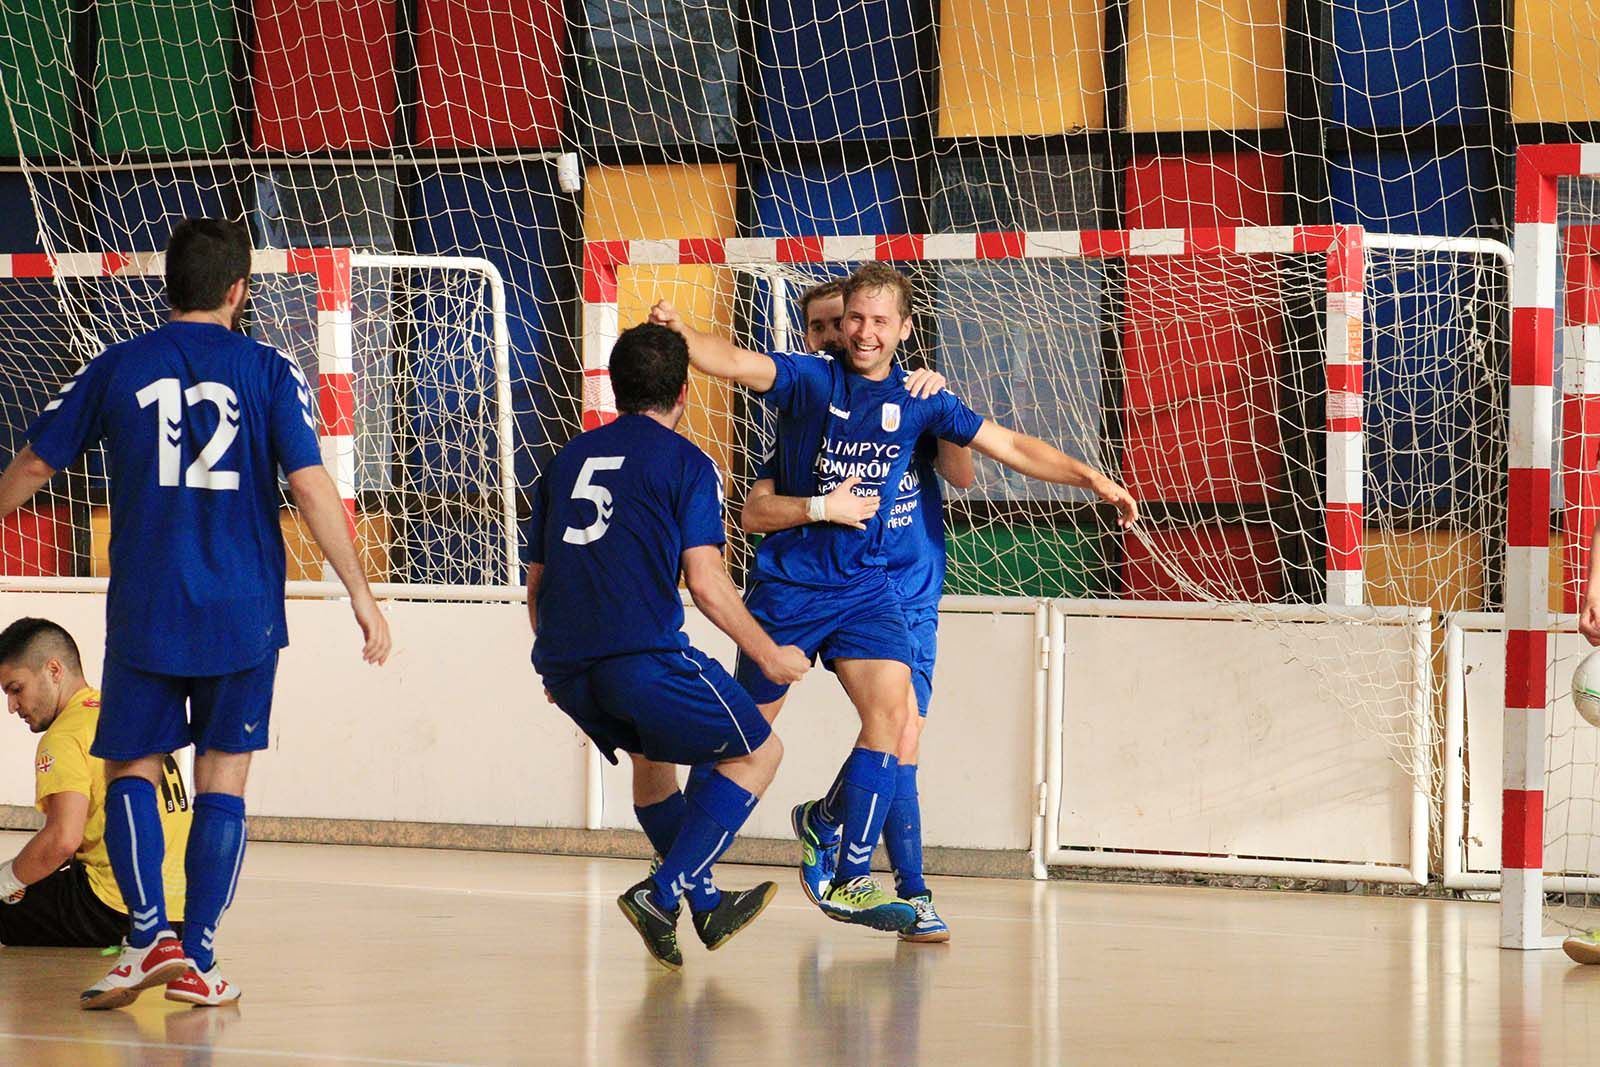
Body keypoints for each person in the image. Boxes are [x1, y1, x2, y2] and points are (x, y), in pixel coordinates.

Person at [650, 261, 1137, 931]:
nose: (863, 332)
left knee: (895, 718)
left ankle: (852, 875)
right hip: (790, 589)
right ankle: (680, 871)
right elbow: (735, 361)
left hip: (868, 586)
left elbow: (1008, 444)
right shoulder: (813, 378)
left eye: (879, 320)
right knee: (743, 738)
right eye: (854, 318)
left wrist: (1093, 478)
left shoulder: (923, 398)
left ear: (904, 328)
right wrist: (681, 334)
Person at [0, 217, 391, 1010]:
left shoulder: (118, 365)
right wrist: (360, 591)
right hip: (246, 609)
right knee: (225, 779)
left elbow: (40, 458)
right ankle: (200, 956)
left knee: (132, 765)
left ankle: (147, 938)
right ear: (239, 290)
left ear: (165, 282)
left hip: (150, 601)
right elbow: (313, 484)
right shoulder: (270, 368)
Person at [527, 321, 809, 970]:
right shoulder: (688, 464)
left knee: (654, 761)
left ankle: (704, 902)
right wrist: (767, 653)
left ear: (613, 383)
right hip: (640, 660)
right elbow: (707, 583)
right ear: (684, 391)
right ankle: (662, 891)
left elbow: (539, 581)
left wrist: (557, 658)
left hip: (570, 670)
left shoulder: (566, 458)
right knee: (761, 750)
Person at [741, 278, 973, 943]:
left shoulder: (906, 399)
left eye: (833, 325)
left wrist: (946, 398)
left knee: (902, 733)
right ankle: (897, 882)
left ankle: (903, 882)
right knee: (884, 731)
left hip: (910, 585)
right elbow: (756, 509)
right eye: (818, 329)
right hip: (839, 591)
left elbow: (961, 473)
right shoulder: (806, 426)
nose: (831, 337)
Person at [0, 618, 190, 947]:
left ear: (54, 670)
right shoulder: (120, 711)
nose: (12, 706)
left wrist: (6, 879)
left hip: (116, 907)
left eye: (16, 689)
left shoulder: (64, 736)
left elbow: (63, 839)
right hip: (178, 912)